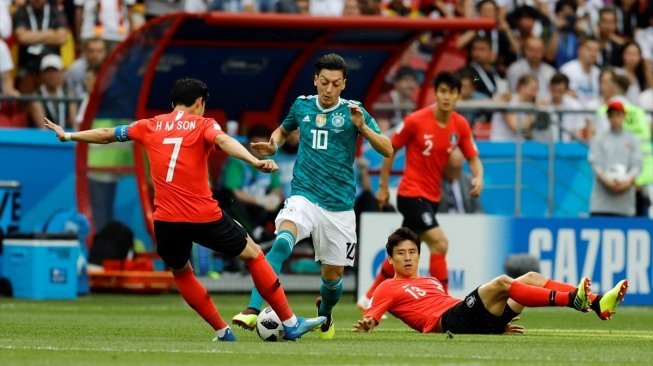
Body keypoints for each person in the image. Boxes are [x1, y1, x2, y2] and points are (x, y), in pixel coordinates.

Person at [44, 78, 325, 342]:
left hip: (166, 220)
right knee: (253, 255)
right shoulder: (203, 124)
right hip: (203, 215)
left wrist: (68, 135)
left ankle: (223, 331)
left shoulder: (149, 125)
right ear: (200, 102)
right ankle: (289, 323)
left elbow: (107, 134)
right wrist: (253, 161)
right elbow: (224, 141)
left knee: (182, 272)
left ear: (172, 103)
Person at [231, 53, 393, 340]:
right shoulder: (302, 105)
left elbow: (388, 149)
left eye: (335, 83)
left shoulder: (354, 111)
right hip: (304, 195)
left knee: (332, 280)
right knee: (282, 242)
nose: (328, 89)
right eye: (324, 82)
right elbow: (283, 130)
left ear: (344, 84)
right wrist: (273, 145)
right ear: (315, 80)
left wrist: (363, 128)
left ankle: (326, 313)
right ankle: (252, 308)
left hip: (340, 208)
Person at [352, 227, 629, 335]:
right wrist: (368, 323)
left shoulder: (431, 281)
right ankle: (574, 299)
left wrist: (493, 325)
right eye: (401, 254)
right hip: (449, 321)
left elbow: (457, 306)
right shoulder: (388, 286)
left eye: (412, 252)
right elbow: (372, 315)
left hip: (468, 318)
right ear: (390, 260)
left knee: (530, 277)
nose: (408, 258)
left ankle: (595, 302)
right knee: (502, 283)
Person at [367, 71, 483, 307]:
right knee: (439, 243)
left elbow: (473, 158)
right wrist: (382, 187)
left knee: (402, 247)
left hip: (431, 197)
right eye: (442, 92)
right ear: (436, 93)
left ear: (458, 96)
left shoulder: (459, 125)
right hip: (411, 194)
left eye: (451, 93)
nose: (446, 97)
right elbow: (389, 149)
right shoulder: (415, 120)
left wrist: (478, 176)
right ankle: (446, 302)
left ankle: (369, 297)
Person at [219, 124, 283, 242]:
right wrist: (260, 200)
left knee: (285, 204)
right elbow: (233, 191)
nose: (259, 148)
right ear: (248, 143)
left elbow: (276, 187)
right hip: (238, 211)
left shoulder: (270, 160)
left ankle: (285, 235)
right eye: (255, 144)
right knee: (228, 197)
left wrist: (274, 198)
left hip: (259, 209)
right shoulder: (236, 161)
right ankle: (256, 233)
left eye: (263, 145)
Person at [589, 100, 642, 217]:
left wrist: (626, 181)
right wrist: (608, 181)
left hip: (625, 204)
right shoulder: (599, 139)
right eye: (612, 115)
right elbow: (596, 164)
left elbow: (637, 165)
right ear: (608, 117)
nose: (615, 119)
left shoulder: (633, 139)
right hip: (601, 203)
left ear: (624, 116)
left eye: (618, 115)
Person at [438, 148, 484, 214]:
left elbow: (478, 210)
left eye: (457, 169)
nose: (454, 172)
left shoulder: (470, 181)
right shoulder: (435, 182)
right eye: (451, 168)